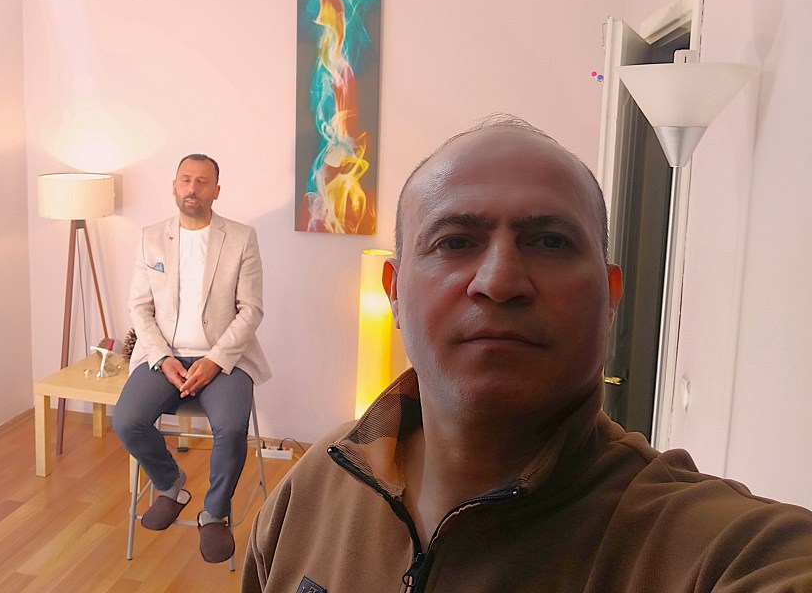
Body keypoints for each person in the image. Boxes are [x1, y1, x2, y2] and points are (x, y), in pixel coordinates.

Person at [243, 116, 812, 592]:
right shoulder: (314, 486)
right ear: (394, 291)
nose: (499, 281)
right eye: (455, 241)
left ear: (610, 297)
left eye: (550, 242)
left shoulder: (719, 551)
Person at [113, 153, 270, 564]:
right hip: (163, 355)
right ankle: (171, 485)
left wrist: (215, 360)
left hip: (225, 358)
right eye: (186, 179)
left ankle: (214, 513)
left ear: (216, 191)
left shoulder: (241, 238)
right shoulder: (151, 237)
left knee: (231, 429)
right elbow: (139, 307)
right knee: (126, 420)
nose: (193, 188)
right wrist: (162, 357)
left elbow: (251, 310)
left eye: (202, 182)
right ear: (174, 186)